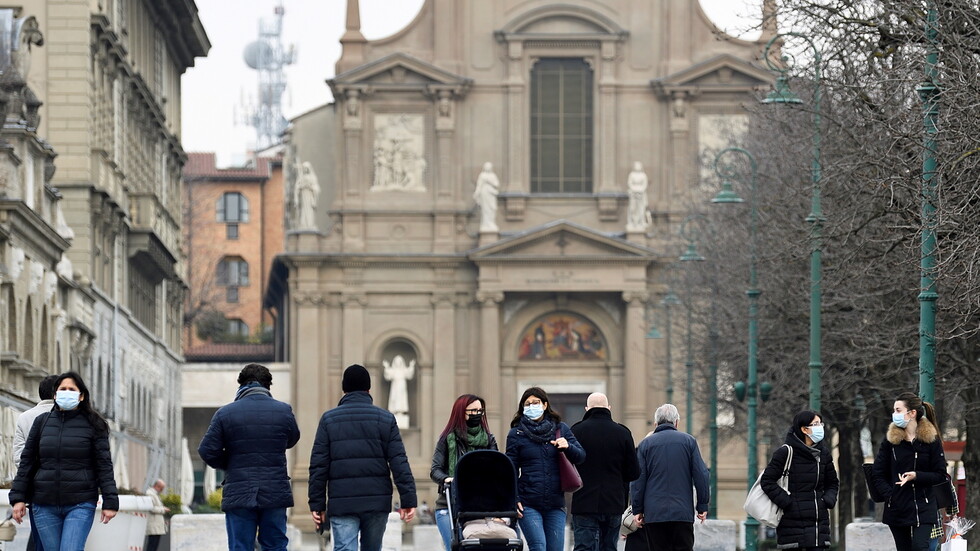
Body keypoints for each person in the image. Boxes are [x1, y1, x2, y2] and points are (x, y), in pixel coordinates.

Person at [308, 364, 417, 551]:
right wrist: (408, 499)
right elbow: (399, 461)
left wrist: (317, 504)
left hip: (342, 501)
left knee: (344, 548)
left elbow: (319, 466)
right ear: (369, 389)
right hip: (377, 501)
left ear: (344, 389)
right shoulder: (385, 419)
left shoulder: (329, 419)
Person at [9, 371, 119, 551]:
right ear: (55, 394)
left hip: (80, 503)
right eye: (62, 389)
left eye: (72, 389)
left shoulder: (95, 425)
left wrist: (111, 501)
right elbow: (27, 463)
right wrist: (18, 498)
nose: (67, 392)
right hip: (44, 504)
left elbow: (104, 466)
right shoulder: (41, 422)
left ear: (81, 396)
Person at [198, 363, 301, 551]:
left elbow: (206, 450)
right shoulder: (284, 411)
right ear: (268, 386)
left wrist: (230, 463)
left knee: (240, 546)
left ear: (241, 384)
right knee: (276, 545)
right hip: (275, 491)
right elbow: (293, 439)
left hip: (239, 491)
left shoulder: (225, 413)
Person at [505, 387, 586, 551]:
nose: (531, 406)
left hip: (555, 503)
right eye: (527, 404)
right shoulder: (516, 434)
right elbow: (510, 469)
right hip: (528, 503)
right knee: (538, 546)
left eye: (535, 402)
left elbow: (581, 456)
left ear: (544, 405)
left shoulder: (560, 429)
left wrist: (568, 446)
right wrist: (514, 498)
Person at [871, 392, 947, 551]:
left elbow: (940, 474)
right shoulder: (891, 441)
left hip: (924, 506)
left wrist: (917, 476)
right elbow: (877, 472)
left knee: (920, 547)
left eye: (898, 410)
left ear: (912, 413)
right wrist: (890, 495)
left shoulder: (931, 440)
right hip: (897, 506)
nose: (894, 414)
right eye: (894, 410)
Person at [630, 404, 709, 551]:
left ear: (655, 424)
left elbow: (638, 479)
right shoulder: (689, 442)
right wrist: (702, 505)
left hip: (654, 514)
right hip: (682, 513)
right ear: (676, 422)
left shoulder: (645, 445)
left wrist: (637, 509)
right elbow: (701, 474)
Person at [570, 393, 640, 551]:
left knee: (583, 547)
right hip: (613, 502)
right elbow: (634, 473)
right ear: (609, 408)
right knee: (609, 547)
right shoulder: (622, 432)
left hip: (584, 502)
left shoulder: (576, 431)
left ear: (587, 409)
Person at [760, 410, 839, 550]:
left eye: (820, 423)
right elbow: (767, 481)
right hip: (792, 526)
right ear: (804, 429)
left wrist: (828, 500)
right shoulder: (785, 452)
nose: (820, 427)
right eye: (816, 424)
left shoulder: (823, 454)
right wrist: (787, 502)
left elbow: (832, 482)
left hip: (818, 527)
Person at [430, 394, 499, 551]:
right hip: (448, 505)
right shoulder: (447, 439)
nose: (477, 414)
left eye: (480, 411)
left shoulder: (488, 439)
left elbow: (496, 468)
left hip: (479, 506)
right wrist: (447, 479)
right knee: (454, 547)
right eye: (473, 411)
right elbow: (435, 470)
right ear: (461, 412)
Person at [12, 374, 58, 551]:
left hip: (36, 491)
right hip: (70, 492)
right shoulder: (71, 417)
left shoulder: (24, 417)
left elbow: (18, 457)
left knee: (41, 541)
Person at [145, 479, 170, 551]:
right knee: (152, 545)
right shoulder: (150, 494)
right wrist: (163, 509)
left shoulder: (154, 494)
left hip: (156, 525)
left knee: (154, 545)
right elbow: (151, 508)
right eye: (161, 489)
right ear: (157, 486)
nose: (161, 491)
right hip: (154, 525)